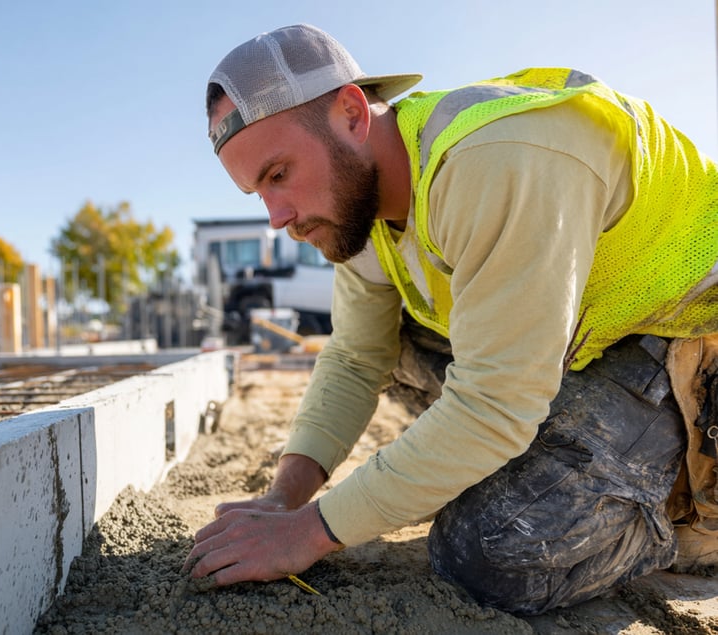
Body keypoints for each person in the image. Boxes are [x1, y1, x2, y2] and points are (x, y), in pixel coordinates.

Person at [185, 24, 718, 614]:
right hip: (587, 348)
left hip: (686, 342)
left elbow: (496, 403)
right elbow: (356, 358)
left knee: (487, 551)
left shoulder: (495, 159)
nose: (277, 217)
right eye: (256, 192)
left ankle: (689, 510)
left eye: (279, 174)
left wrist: (311, 533)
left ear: (352, 113)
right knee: (397, 342)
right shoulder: (356, 209)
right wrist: (286, 499)